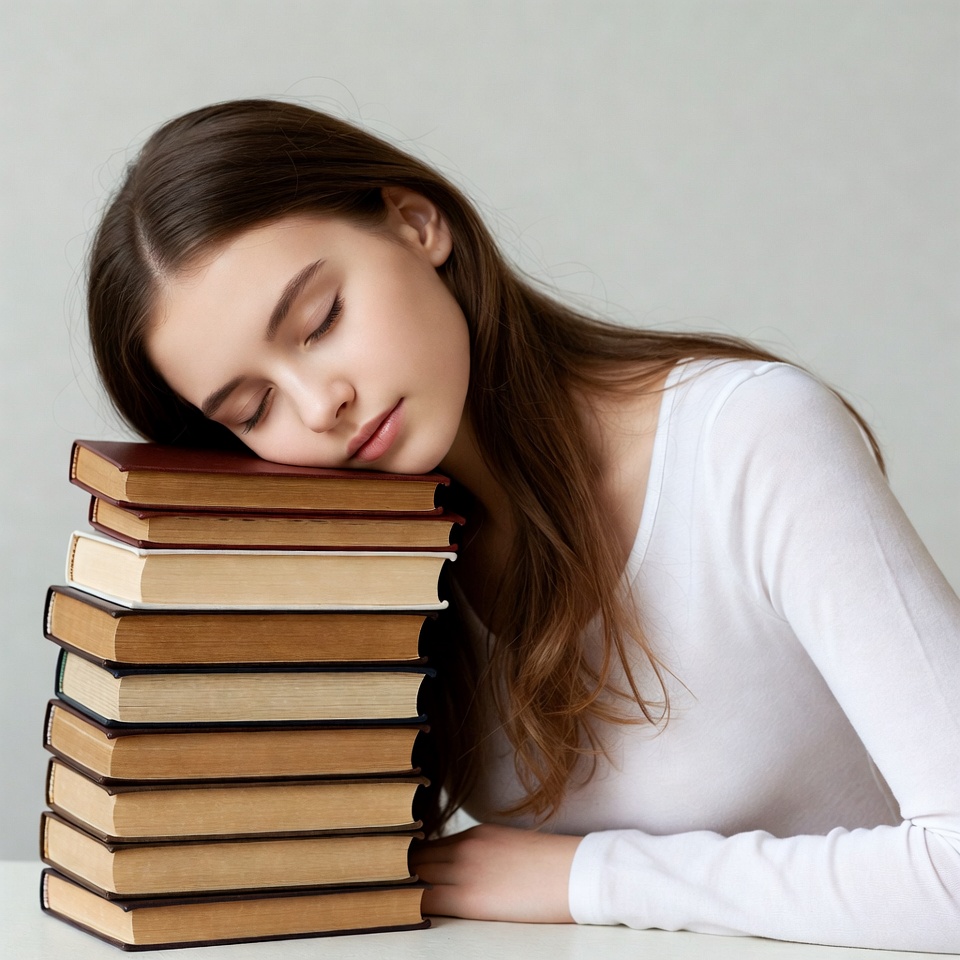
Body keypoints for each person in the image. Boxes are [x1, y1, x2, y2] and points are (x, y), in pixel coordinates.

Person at [86, 99, 960, 953]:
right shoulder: (374, 566)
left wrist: (585, 878)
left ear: (417, 223)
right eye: (254, 405)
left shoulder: (749, 436)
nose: (322, 406)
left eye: (322, 321)